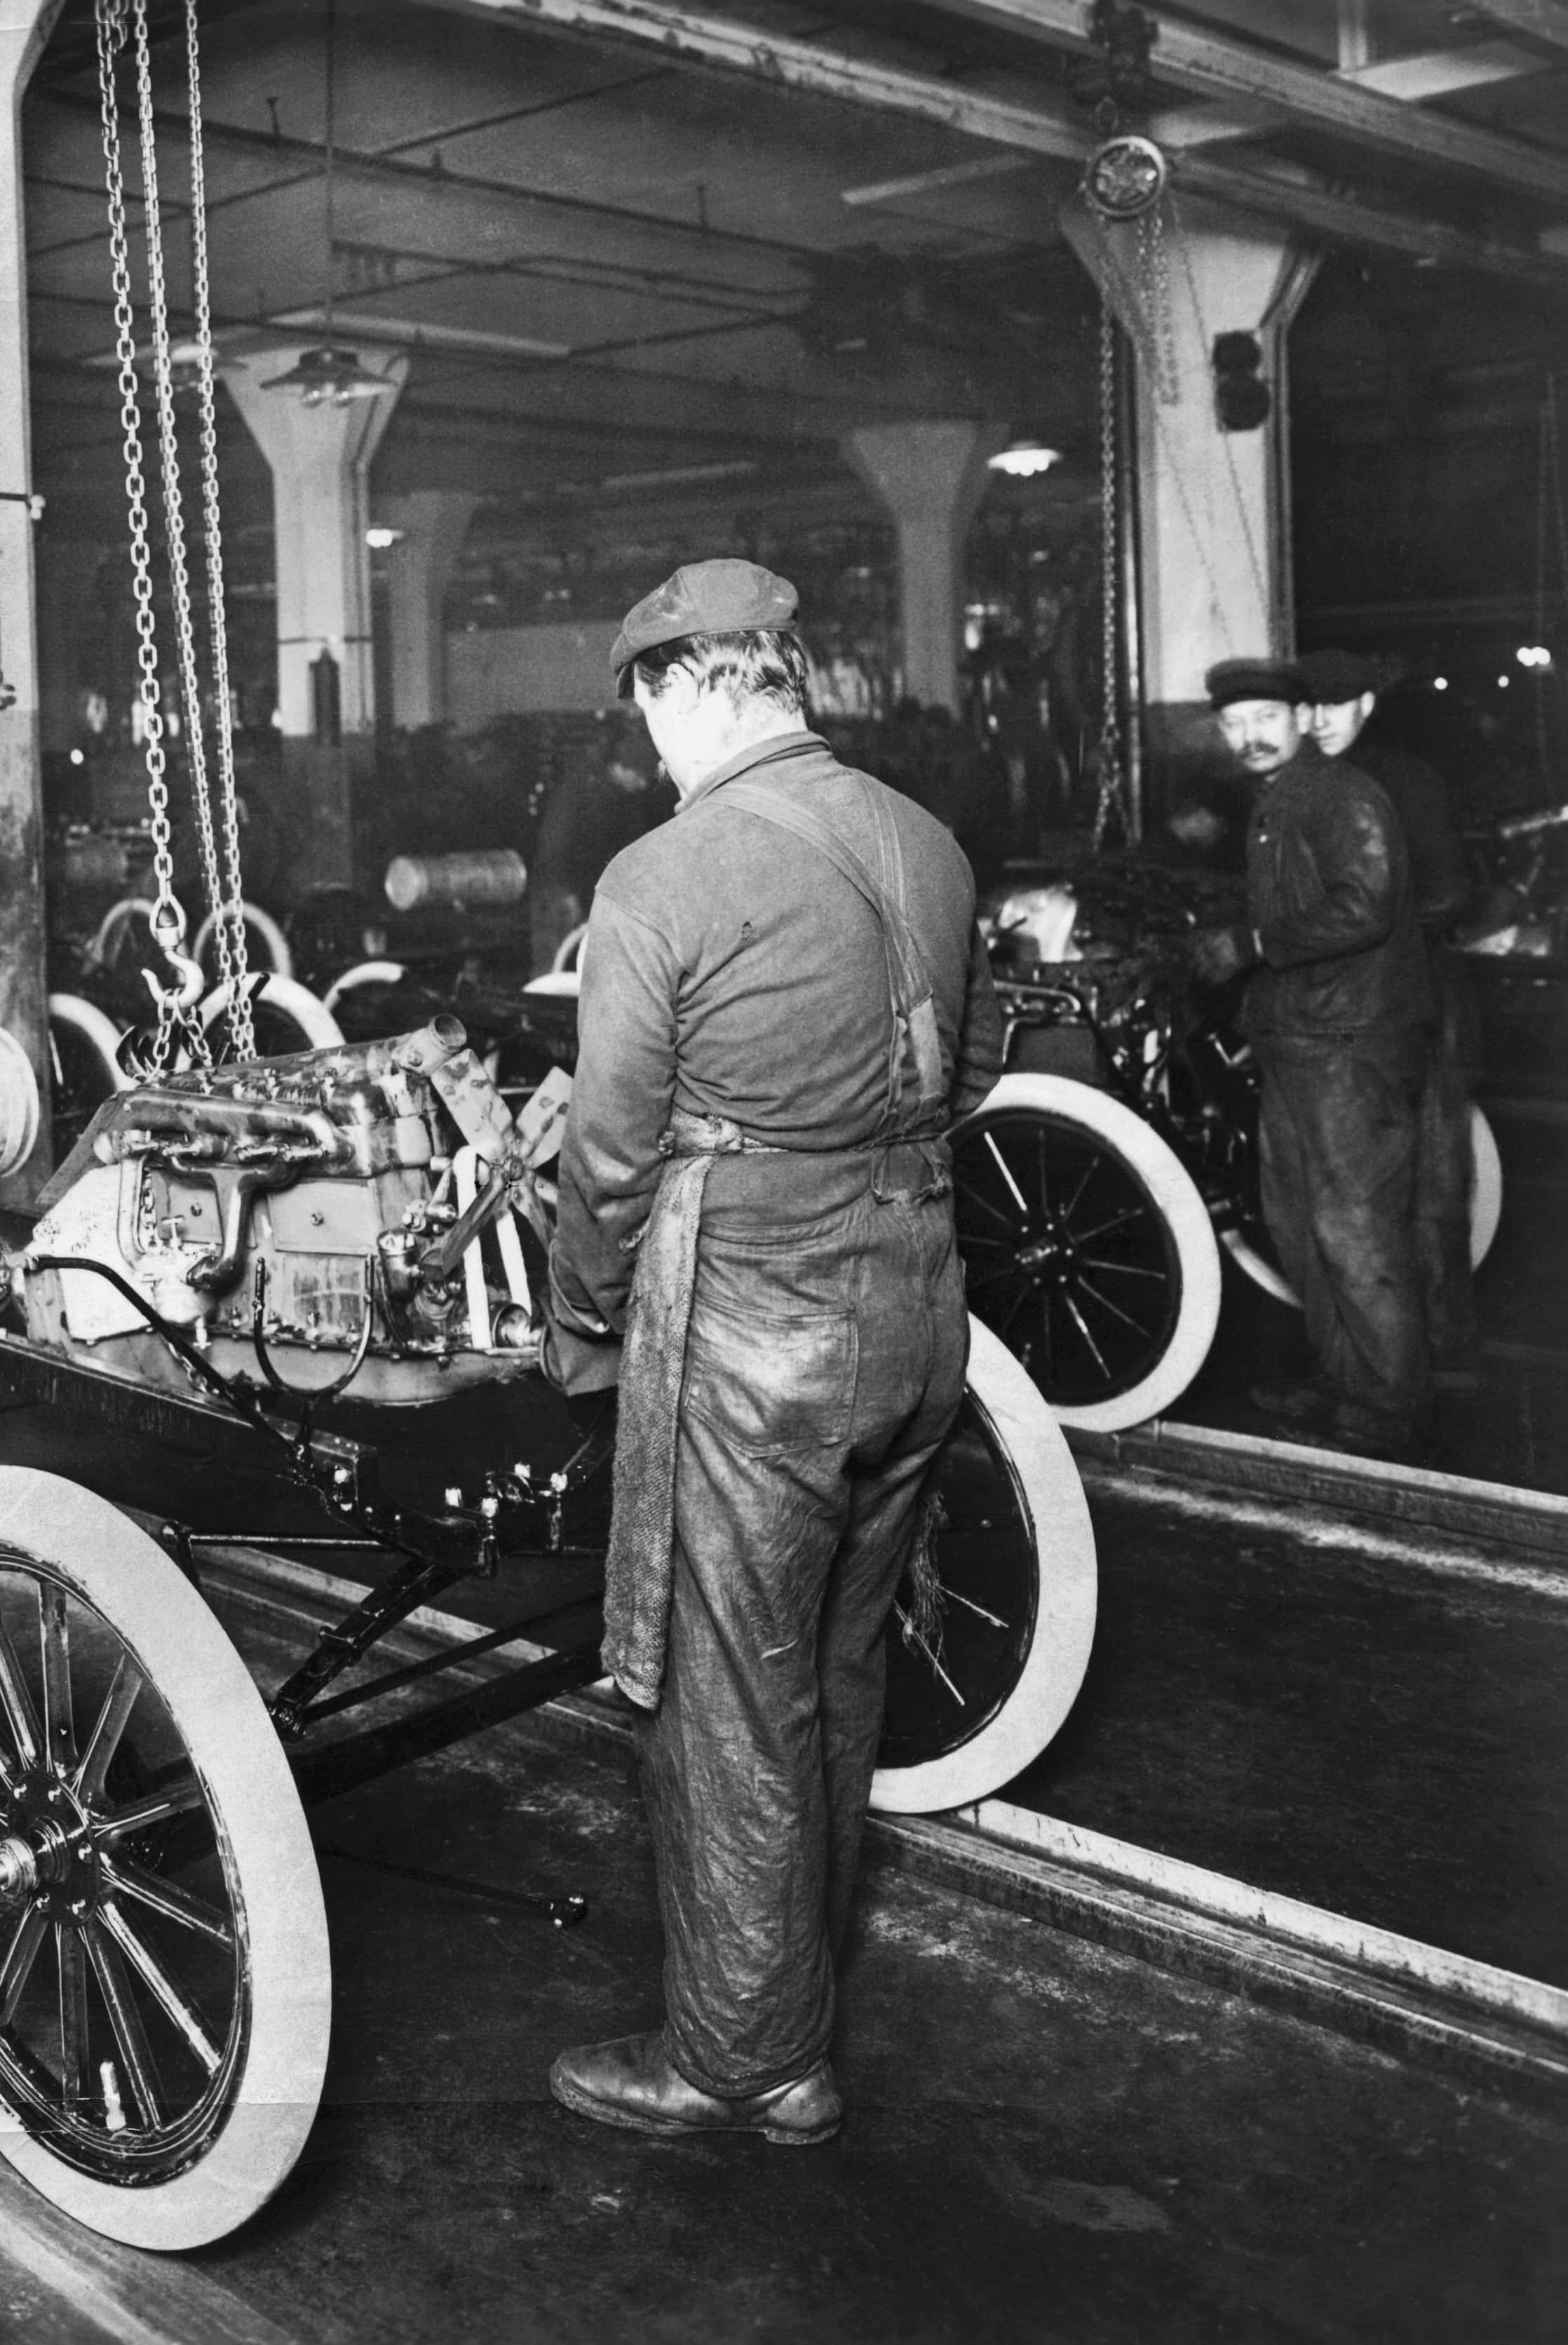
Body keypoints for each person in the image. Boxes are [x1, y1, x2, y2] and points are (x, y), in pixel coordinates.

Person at [541, 559, 1001, 2147]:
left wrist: (581, 1323)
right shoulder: (925, 842)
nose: (649, 751)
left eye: (647, 717)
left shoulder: (662, 877)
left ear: (686, 688)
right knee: (837, 1669)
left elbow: (606, 1155)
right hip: (919, 1310)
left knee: (731, 1691)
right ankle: (792, 2015)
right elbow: (974, 1062)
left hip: (757, 1327)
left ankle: (743, 2057)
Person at [1189, 658, 1433, 1458]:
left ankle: (1388, 1407)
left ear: (1301, 719)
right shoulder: (1279, 801)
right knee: (1300, 1223)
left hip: (1348, 1043)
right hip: (1300, 1039)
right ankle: (1342, 1378)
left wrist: (1255, 943)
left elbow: (1366, 904)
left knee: (1356, 1225)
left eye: (1267, 717)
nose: (1251, 735)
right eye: (1234, 723)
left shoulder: (1340, 794)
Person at [1301, 649, 1481, 1387]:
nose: (1319, 720)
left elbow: (1449, 891)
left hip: (1425, 994)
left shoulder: (1405, 780)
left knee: (1431, 1187)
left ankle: (1446, 1364)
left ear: (1367, 704)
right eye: (1308, 708)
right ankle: (1391, 1368)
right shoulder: (1310, 785)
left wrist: (1365, 934)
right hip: (1368, 998)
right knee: (1369, 1196)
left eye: (1335, 705)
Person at [529, 726, 672, 973]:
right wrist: (562, 892)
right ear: (621, 768)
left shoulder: (627, 801)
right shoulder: (578, 791)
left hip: (589, 897)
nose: (641, 785)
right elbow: (554, 843)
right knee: (554, 969)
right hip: (559, 897)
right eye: (639, 777)